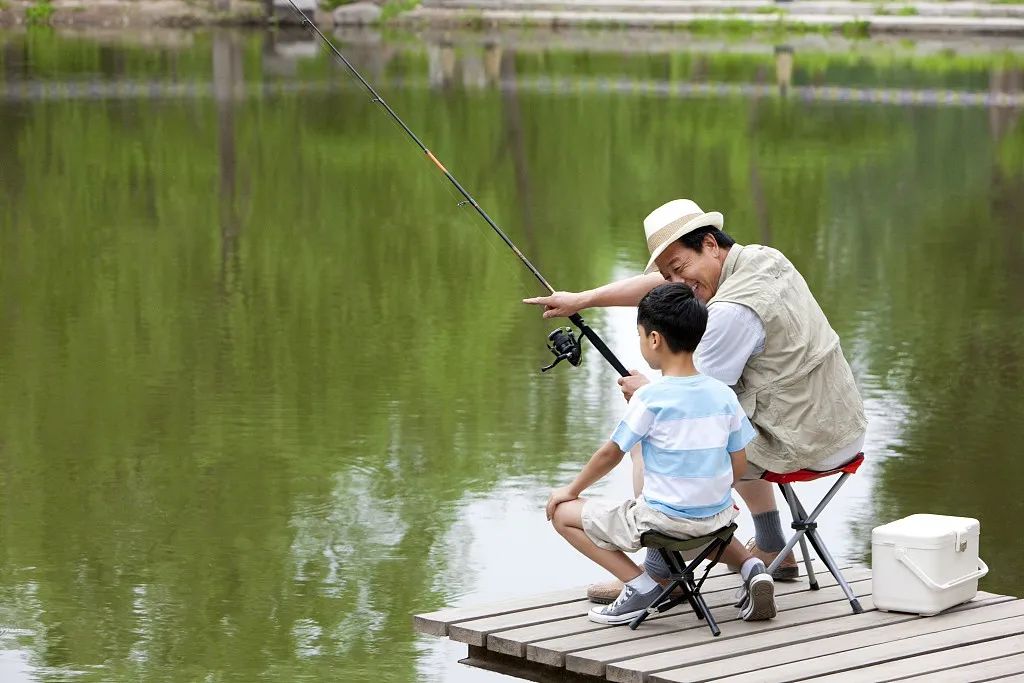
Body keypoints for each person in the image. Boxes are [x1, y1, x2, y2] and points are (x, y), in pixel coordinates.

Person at [528, 199, 867, 603]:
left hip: (802, 440)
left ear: (708, 244)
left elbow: (688, 405)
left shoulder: (731, 313)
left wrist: (648, 393)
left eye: (679, 267)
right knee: (727, 428)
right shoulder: (762, 258)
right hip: (841, 424)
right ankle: (772, 544)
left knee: (653, 436)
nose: (676, 280)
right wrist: (583, 299)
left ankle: (662, 570)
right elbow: (669, 288)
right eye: (668, 272)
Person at [546, 283, 777, 624]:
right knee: (701, 518)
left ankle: (641, 587)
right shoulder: (722, 394)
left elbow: (610, 454)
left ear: (654, 339)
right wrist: (712, 491)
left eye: (641, 336)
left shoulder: (650, 399)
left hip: (665, 522)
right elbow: (739, 460)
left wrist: (570, 491)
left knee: (562, 514)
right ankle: (751, 566)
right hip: (718, 518)